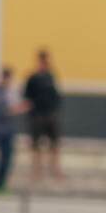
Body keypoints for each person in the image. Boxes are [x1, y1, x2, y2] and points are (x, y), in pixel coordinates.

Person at [23, 47, 64, 184]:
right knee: (36, 145)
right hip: (37, 115)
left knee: (55, 144)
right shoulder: (33, 79)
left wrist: (55, 110)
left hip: (50, 114)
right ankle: (37, 170)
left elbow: (56, 95)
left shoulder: (51, 77)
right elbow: (27, 97)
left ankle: (55, 169)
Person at [0, 66, 23, 193]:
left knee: (7, 159)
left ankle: (2, 183)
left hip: (8, 129)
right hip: (3, 130)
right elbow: (2, 110)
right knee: (3, 159)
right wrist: (17, 109)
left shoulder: (6, 92)